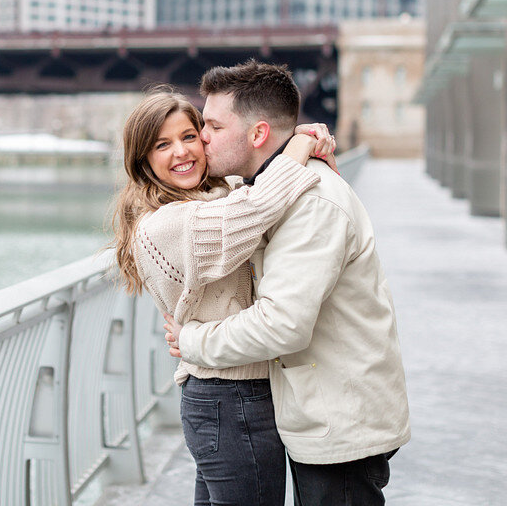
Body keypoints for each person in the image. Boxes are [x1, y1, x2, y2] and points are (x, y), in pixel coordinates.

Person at [165, 61, 410, 506]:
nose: (202, 137)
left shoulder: (312, 202)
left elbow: (282, 324)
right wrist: (304, 138)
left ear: (258, 135)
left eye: (214, 126)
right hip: (320, 410)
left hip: (341, 422)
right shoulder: (266, 190)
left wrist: (192, 340)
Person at [111, 87, 336, 506]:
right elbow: (257, 206)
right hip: (229, 399)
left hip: (228, 396)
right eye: (162, 145)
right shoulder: (171, 223)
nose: (181, 152)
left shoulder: (213, 196)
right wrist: (301, 142)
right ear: (143, 161)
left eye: (190, 136)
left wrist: (293, 140)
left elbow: (247, 182)